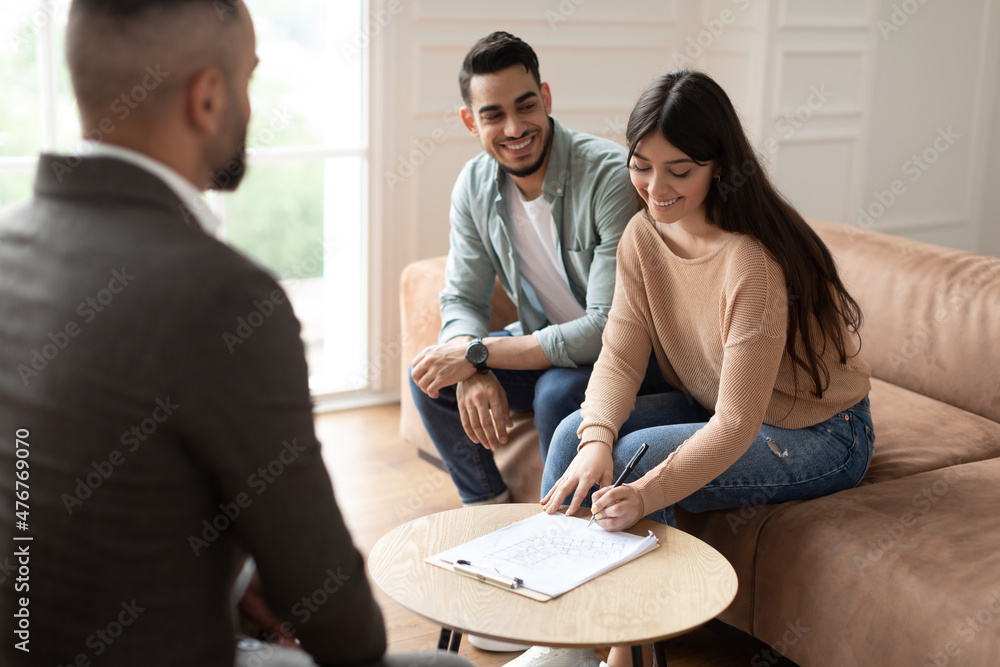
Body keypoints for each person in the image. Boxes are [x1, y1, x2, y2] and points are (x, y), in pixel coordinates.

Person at [0, 2, 467, 667]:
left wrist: (240, 581)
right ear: (209, 96)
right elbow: (346, 631)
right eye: (247, 78)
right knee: (445, 665)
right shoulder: (223, 296)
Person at [534, 70, 874, 667]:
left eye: (679, 170)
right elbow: (620, 351)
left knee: (638, 462)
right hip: (713, 403)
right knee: (573, 434)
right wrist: (596, 438)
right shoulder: (643, 235)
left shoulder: (753, 265)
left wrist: (641, 494)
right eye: (642, 165)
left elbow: (738, 424)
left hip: (819, 434)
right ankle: (561, 636)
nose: (654, 187)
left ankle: (628, 652)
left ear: (719, 165)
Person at [408, 31, 647, 514]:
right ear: (470, 122)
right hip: (544, 345)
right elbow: (463, 300)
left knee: (554, 392)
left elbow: (605, 328)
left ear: (547, 98)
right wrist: (467, 366)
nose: (515, 127)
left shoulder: (606, 177)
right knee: (430, 376)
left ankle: (563, 534)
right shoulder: (474, 186)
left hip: (625, 358)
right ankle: (487, 508)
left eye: (526, 106)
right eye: (493, 114)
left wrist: (478, 352)